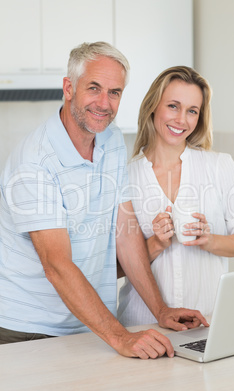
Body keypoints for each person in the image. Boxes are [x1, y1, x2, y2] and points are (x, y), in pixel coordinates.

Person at [0, 43, 208, 358]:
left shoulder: (110, 140)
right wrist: (120, 337)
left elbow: (125, 231)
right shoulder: (35, 162)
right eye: (94, 88)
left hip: (89, 328)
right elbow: (56, 265)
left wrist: (160, 309)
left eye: (114, 92)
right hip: (28, 332)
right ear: (69, 88)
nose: (104, 102)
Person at [117, 66, 234, 327]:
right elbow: (113, 269)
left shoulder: (219, 167)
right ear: (153, 106)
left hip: (207, 324)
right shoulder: (124, 177)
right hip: (143, 327)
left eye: (192, 111)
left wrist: (209, 240)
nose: (182, 119)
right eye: (173, 106)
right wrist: (156, 244)